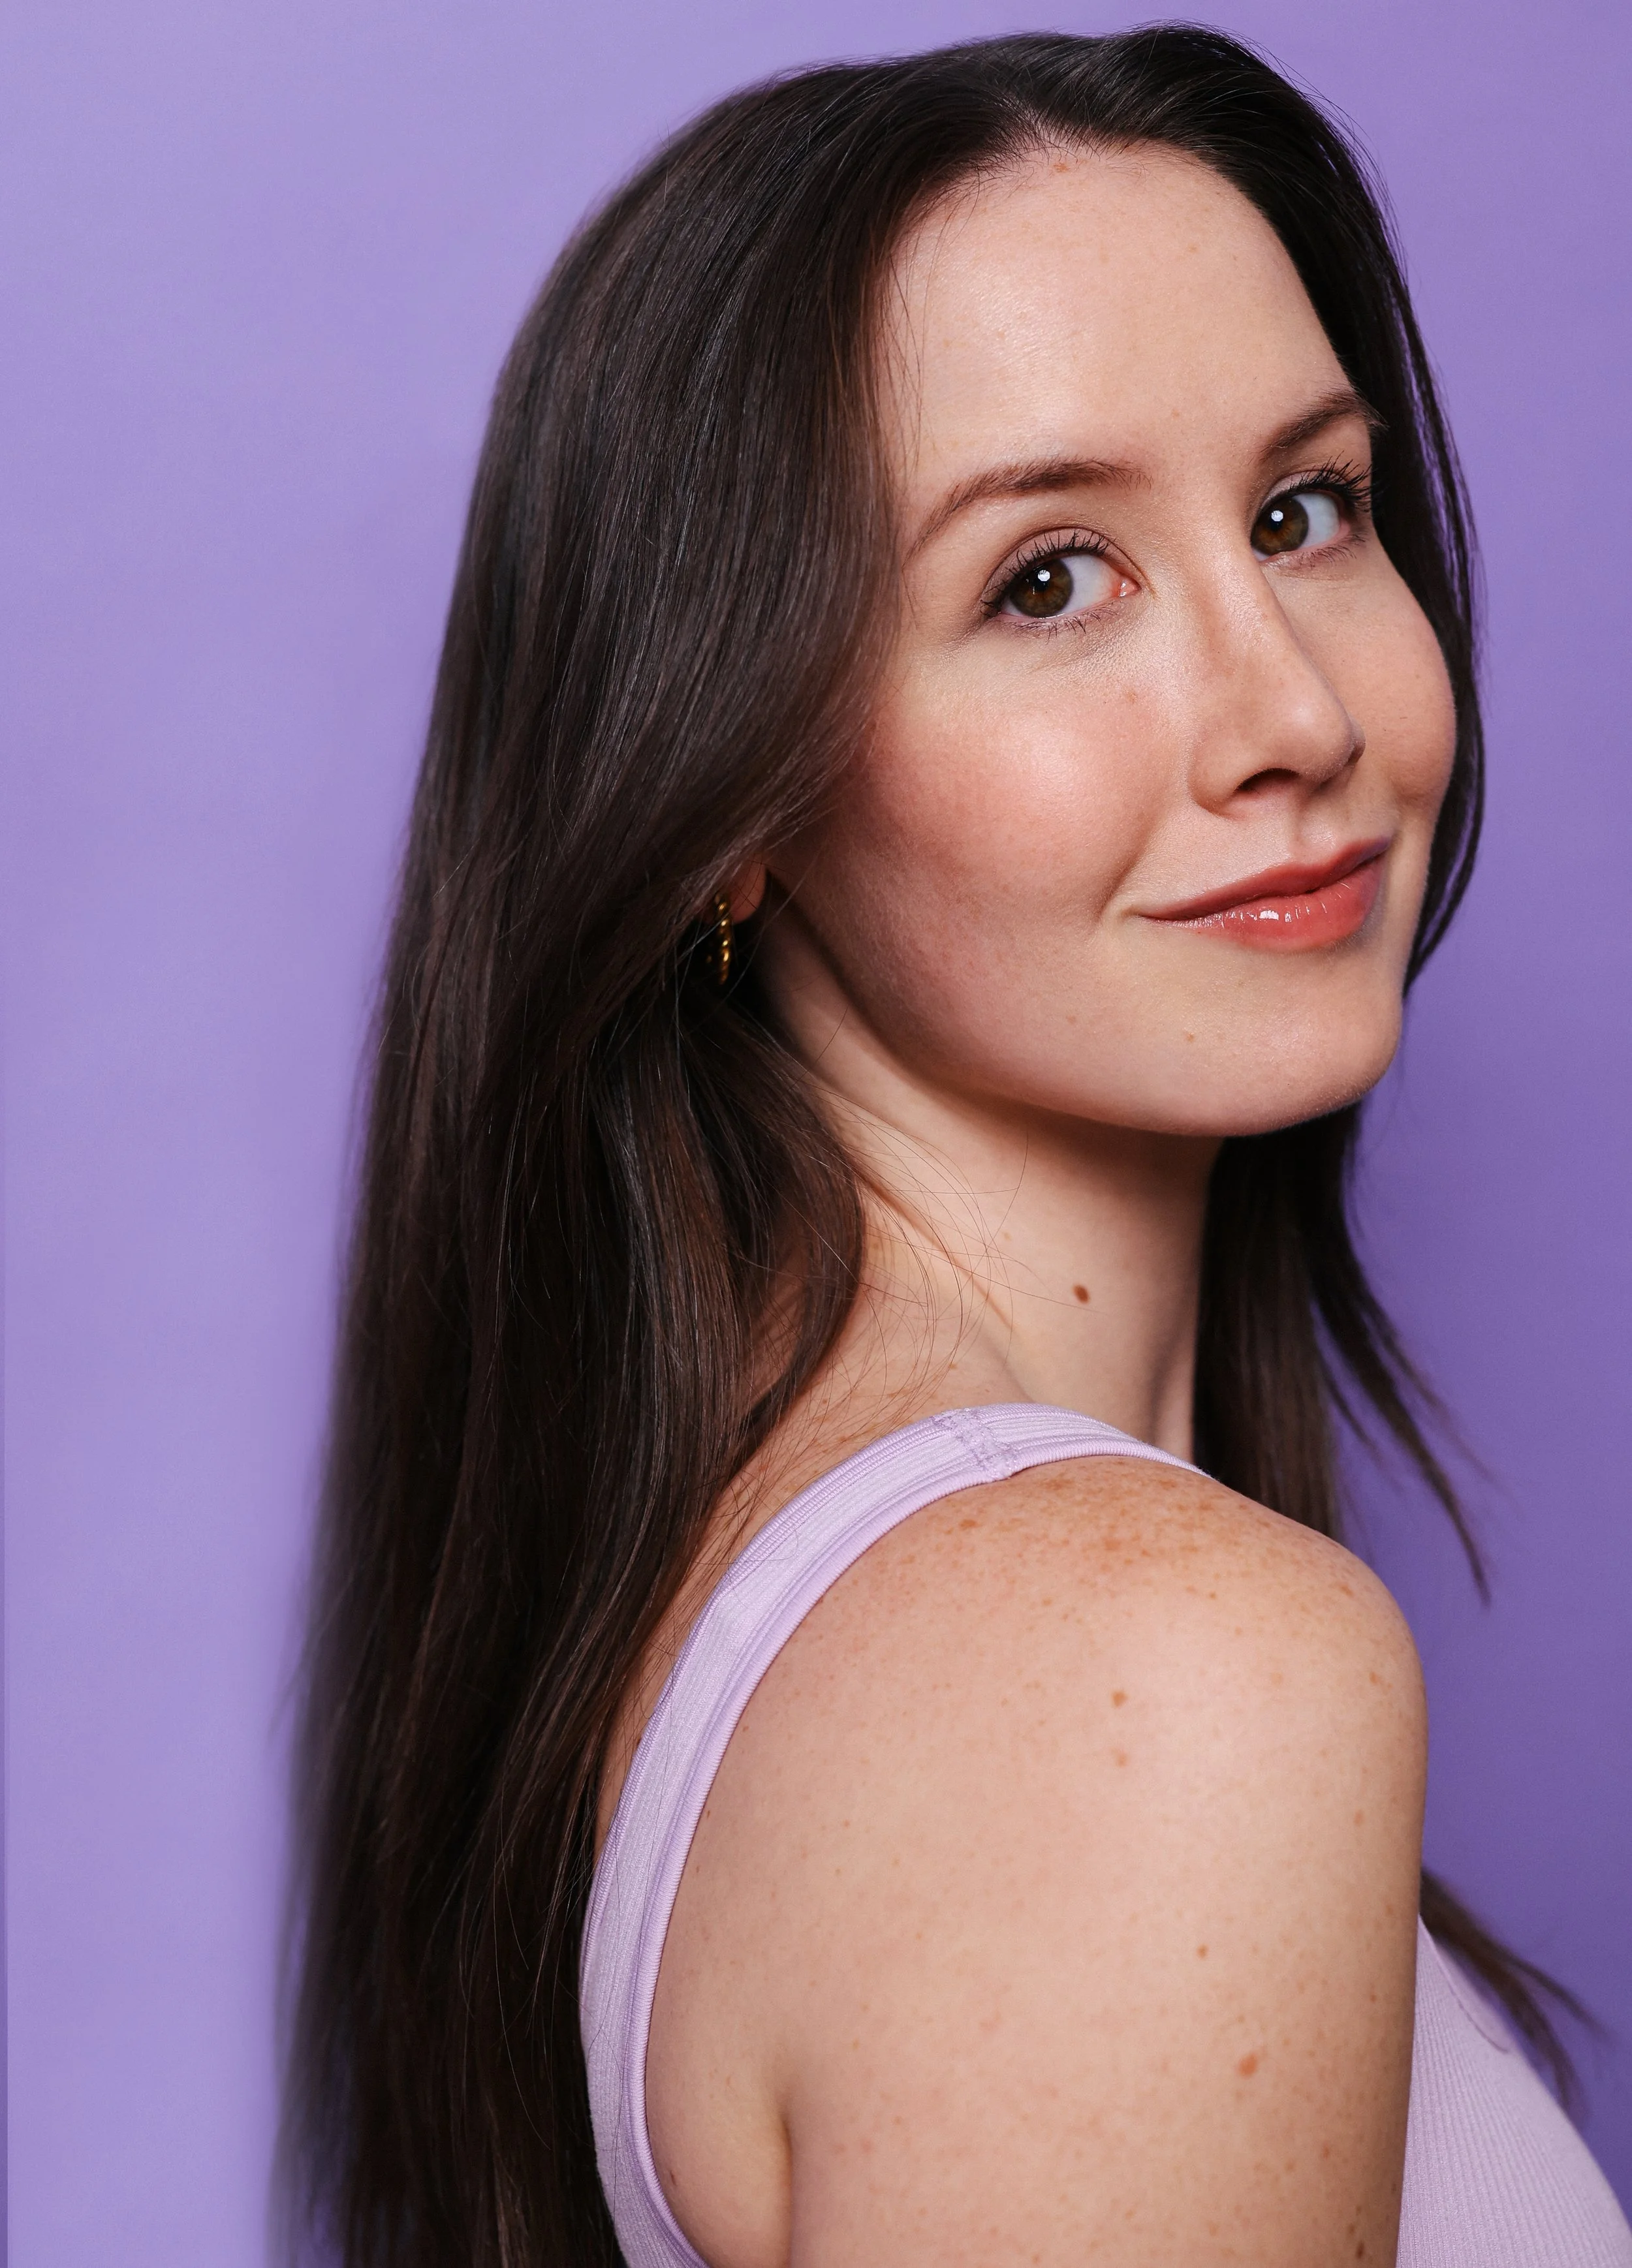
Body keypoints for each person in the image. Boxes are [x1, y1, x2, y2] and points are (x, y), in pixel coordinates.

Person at [284, 28, 1632, 2267]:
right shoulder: (1145, 1677)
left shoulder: (767, 1597)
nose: (1294, 716)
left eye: (1301, 512)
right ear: (721, 804)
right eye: (1046, 581)